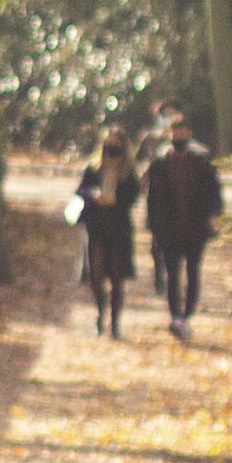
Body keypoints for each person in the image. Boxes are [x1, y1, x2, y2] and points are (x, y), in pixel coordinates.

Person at [144, 117, 226, 339]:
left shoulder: (201, 160)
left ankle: (187, 313)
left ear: (189, 133)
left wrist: (214, 215)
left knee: (192, 271)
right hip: (169, 228)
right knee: (172, 272)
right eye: (174, 134)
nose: (178, 137)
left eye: (182, 133)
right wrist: (152, 224)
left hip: (195, 227)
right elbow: (152, 197)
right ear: (169, 135)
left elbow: (214, 190)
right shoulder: (160, 162)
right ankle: (175, 315)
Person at [69, 127, 138, 338]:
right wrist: (94, 195)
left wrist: (116, 201)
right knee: (96, 277)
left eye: (116, 144)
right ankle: (100, 315)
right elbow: (80, 190)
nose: (112, 148)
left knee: (117, 279)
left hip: (119, 230)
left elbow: (133, 196)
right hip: (96, 229)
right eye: (109, 143)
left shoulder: (128, 173)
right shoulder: (93, 169)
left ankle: (115, 324)